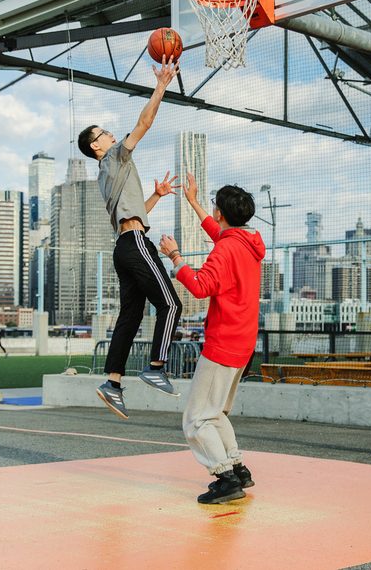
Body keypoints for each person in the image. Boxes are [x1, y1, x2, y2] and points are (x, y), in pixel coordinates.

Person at [77, 56, 182, 419]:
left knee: (130, 317)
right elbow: (144, 122)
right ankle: (156, 366)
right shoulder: (116, 157)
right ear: (96, 146)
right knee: (171, 305)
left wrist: (156, 196)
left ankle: (113, 382)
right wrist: (161, 85)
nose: (109, 134)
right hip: (135, 244)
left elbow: (131, 212)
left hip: (124, 246)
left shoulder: (106, 174)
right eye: (103, 133)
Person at [159, 173, 265, 504]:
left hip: (223, 342)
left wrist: (175, 258)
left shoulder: (225, 251)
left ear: (220, 211)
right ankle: (237, 467)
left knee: (195, 418)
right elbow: (219, 234)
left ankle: (225, 477)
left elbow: (201, 286)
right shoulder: (247, 244)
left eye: (213, 206)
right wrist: (192, 201)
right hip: (244, 342)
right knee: (215, 411)